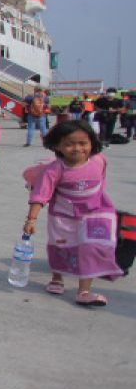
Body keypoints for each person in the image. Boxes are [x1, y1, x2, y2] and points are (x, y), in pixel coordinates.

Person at [25, 121, 121, 306]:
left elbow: (101, 182)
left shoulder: (99, 160)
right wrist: (31, 219)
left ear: (92, 143)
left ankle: (84, 291)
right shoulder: (55, 169)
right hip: (63, 216)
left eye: (83, 143)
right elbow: (40, 195)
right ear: (57, 146)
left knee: (91, 248)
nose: (77, 148)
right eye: (69, 144)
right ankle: (57, 279)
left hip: (95, 214)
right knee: (61, 247)